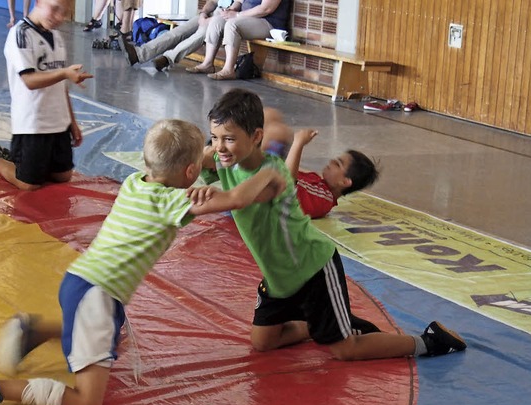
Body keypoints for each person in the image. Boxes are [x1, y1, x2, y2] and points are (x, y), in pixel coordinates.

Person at [0, 119, 286, 405]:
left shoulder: (135, 181)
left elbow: (183, 164)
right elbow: (237, 200)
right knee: (88, 401)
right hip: (97, 296)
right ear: (190, 172)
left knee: (109, 338)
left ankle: (34, 332)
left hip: (83, 283)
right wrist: (269, 171)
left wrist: (212, 152)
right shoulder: (170, 202)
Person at [202, 88, 467, 362]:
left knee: (344, 349)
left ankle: (428, 341)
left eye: (229, 139)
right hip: (279, 276)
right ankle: (320, 323)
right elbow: (199, 160)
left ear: (256, 137)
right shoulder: (226, 159)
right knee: (263, 343)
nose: (220, 146)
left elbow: (236, 199)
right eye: (215, 138)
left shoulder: (275, 172)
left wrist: (179, 200)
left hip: (312, 268)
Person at [0, 0, 94, 191]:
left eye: (64, 13)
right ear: (38, 2)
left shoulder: (55, 36)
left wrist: (71, 122)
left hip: (58, 121)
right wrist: (65, 73)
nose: (59, 17)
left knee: (63, 176)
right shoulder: (21, 33)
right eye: (54, 9)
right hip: (33, 123)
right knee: (28, 184)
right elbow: (30, 80)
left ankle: (26, 161)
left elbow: (60, 84)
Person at [262, 107, 380, 219]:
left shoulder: (324, 200)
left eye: (338, 164)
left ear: (344, 182)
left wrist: (298, 143)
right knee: (271, 115)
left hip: (267, 193)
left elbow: (286, 186)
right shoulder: (316, 179)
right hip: (269, 175)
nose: (332, 161)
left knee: (277, 132)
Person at [187, 0, 291, 80]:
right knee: (216, 20)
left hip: (269, 23)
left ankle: (228, 69)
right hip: (247, 18)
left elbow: (266, 9)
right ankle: (207, 64)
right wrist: (230, 11)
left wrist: (237, 15)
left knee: (232, 25)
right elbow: (240, 1)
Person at [119, 0, 233, 72]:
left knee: (201, 34)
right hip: (214, 13)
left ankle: (168, 58)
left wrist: (210, 20)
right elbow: (212, 2)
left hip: (227, 19)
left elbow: (234, 12)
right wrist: (203, 14)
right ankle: (139, 54)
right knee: (179, 31)